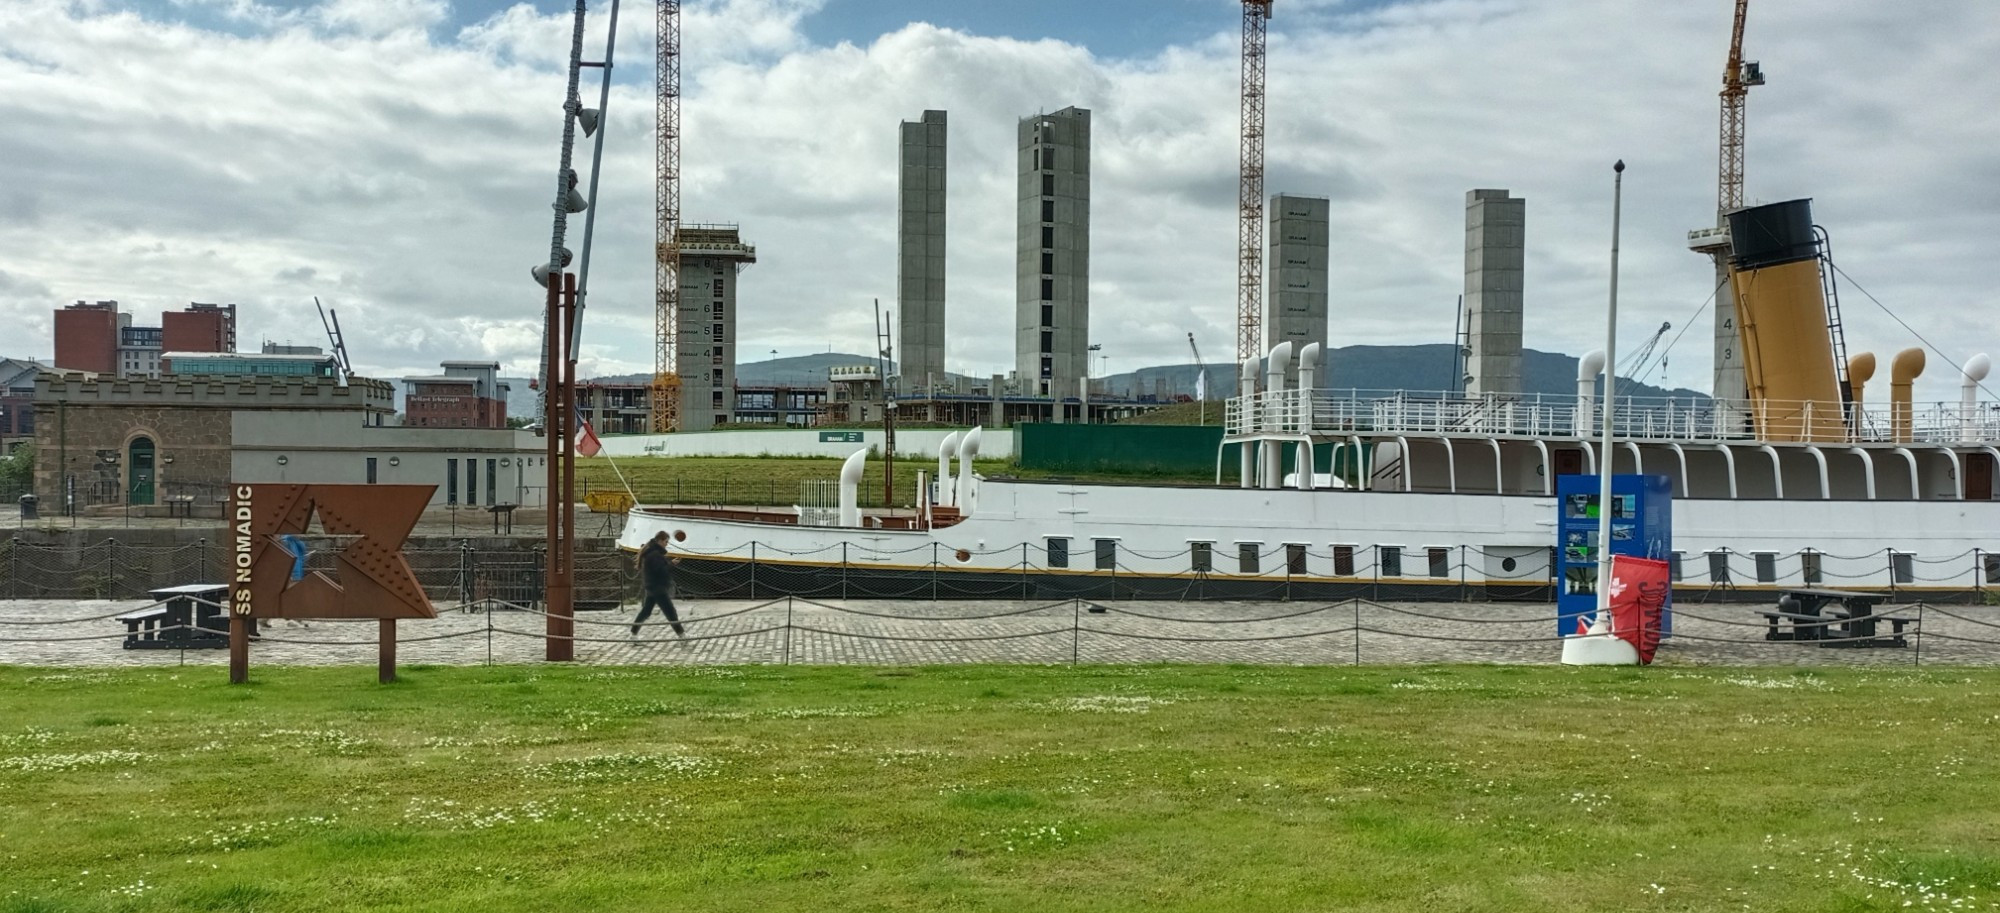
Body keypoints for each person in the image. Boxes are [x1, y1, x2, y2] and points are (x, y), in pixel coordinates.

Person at [632, 531, 684, 638]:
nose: (667, 544)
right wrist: (671, 564)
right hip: (658, 588)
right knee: (670, 612)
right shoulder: (655, 555)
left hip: (652, 587)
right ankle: (681, 634)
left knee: (646, 611)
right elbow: (661, 571)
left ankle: (633, 633)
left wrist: (670, 563)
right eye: (666, 541)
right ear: (660, 541)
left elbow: (658, 567)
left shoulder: (652, 553)